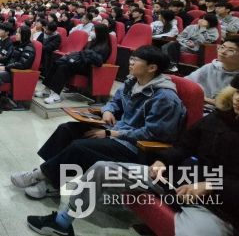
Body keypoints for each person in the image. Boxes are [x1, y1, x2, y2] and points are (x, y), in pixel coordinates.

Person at [26, 74, 239, 236]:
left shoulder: (165, 97)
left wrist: (211, 185)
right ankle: (62, 222)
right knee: (101, 168)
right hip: (176, 179)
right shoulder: (218, 118)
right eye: (238, 92)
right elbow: (184, 146)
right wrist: (162, 161)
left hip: (216, 205)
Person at [11, 46, 185, 199]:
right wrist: (108, 110)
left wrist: (112, 133)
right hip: (117, 131)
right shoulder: (132, 82)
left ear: (152, 68)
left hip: (136, 147)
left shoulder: (165, 98)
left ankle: (42, 177)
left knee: (80, 146)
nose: (130, 63)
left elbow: (155, 134)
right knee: (66, 129)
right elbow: (114, 101)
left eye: (136, 60)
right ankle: (48, 179)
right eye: (131, 58)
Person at [36, 24, 111, 104]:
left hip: (88, 68)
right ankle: (47, 89)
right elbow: (83, 51)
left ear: (99, 33)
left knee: (63, 67)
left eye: (93, 30)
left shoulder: (105, 47)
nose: (91, 32)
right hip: (80, 63)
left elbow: (99, 62)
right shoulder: (92, 42)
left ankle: (56, 95)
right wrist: (84, 53)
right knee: (57, 63)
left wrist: (87, 53)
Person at [186, 39, 239, 105]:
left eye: (231, 50)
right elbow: (186, 82)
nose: (223, 52)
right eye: (222, 47)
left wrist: (204, 99)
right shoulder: (210, 67)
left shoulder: (237, 78)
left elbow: (228, 105)